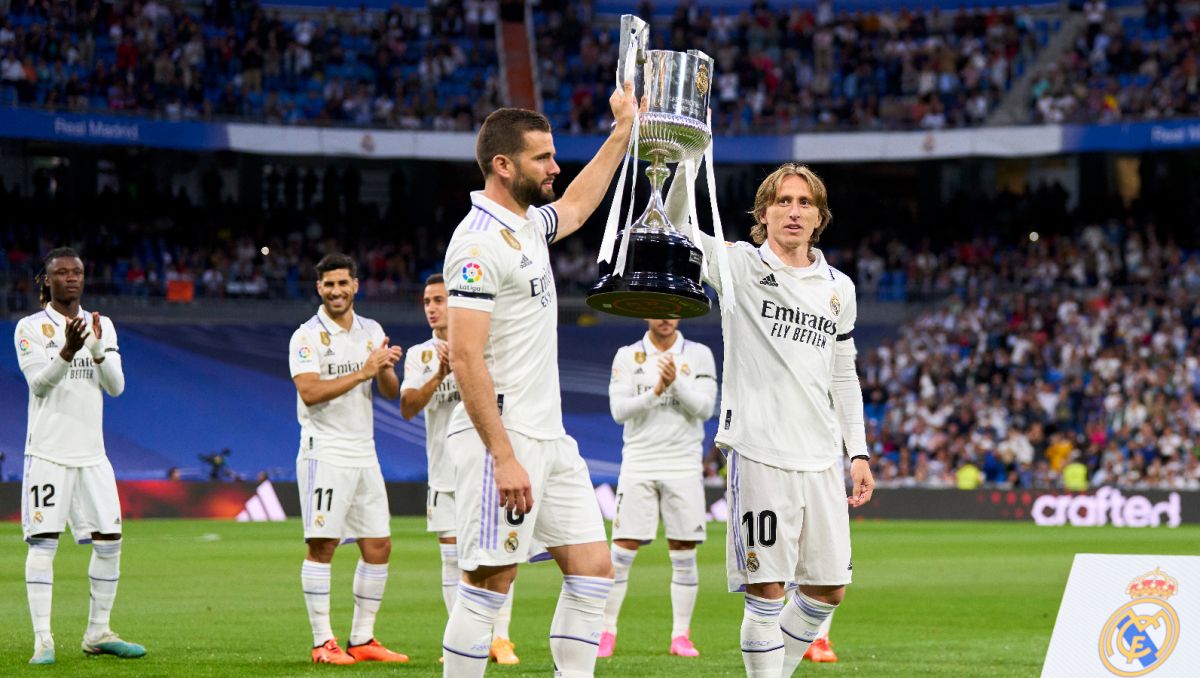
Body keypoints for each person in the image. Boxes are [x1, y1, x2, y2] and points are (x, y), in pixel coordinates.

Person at [439, 82, 639, 678]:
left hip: (548, 436)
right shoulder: (477, 243)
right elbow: (467, 359)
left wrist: (623, 132)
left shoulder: (522, 226)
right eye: (542, 158)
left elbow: (577, 205)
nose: (555, 167)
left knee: (592, 569)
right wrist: (503, 457)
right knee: (490, 580)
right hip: (501, 439)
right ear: (503, 165)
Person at [666, 162, 875, 677]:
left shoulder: (838, 288)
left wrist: (859, 451)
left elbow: (843, 375)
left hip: (822, 455)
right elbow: (672, 224)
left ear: (820, 217)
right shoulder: (738, 265)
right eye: (783, 201)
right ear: (763, 213)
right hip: (759, 449)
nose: (794, 211)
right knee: (766, 589)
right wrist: (686, 161)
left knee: (829, 588)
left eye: (805, 203)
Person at [14, 247, 144, 664]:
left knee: (110, 541)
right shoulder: (30, 328)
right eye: (62, 272)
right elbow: (38, 385)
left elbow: (117, 387)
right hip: (49, 453)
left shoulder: (101, 324)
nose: (71, 278)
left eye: (78, 272)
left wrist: (98, 348)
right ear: (46, 281)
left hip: (93, 455)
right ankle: (43, 641)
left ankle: (98, 632)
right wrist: (67, 351)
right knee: (44, 543)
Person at [288, 253, 408, 665]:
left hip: (364, 451)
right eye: (328, 285)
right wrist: (364, 370)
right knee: (323, 545)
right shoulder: (306, 337)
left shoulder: (371, 330)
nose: (336, 291)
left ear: (356, 285)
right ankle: (323, 642)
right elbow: (309, 392)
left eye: (343, 283)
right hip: (326, 452)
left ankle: (362, 638)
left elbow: (390, 392)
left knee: (378, 545)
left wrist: (387, 367)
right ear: (318, 289)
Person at [400, 273, 520, 665]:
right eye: (427, 301)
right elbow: (407, 407)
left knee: (498, 553)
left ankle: (500, 637)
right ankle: (463, 637)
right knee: (452, 558)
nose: (432, 308)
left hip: (487, 468)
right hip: (443, 473)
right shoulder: (421, 355)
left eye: (439, 300)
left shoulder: (485, 345)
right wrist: (440, 374)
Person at [599, 318, 716, 659]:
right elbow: (619, 411)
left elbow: (706, 409)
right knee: (621, 552)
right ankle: (606, 630)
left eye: (672, 310)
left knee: (684, 552)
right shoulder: (627, 355)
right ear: (646, 314)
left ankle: (681, 636)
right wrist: (656, 391)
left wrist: (674, 383)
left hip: (683, 465)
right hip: (638, 463)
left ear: (681, 313)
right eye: (658, 310)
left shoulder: (699, 354)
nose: (665, 317)